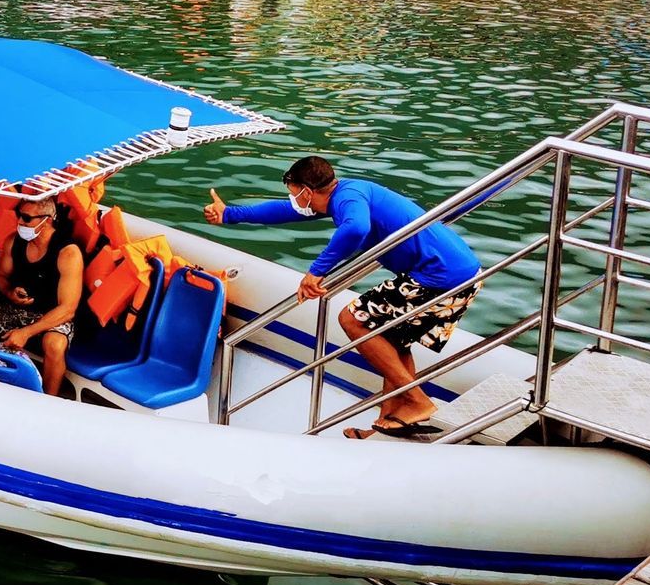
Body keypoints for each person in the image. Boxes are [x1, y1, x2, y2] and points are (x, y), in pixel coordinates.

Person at [203, 156, 482, 440]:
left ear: (307, 192)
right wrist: (230, 214)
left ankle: (417, 400)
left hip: (438, 275)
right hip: (453, 272)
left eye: (293, 192)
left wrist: (316, 272)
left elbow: (356, 228)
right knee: (390, 339)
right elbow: (283, 211)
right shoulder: (345, 193)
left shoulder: (348, 199)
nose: (293, 200)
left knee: (352, 320)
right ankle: (388, 423)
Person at [0, 195, 84, 396]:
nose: (20, 222)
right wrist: (8, 292)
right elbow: (2, 275)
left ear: (47, 220)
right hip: (14, 308)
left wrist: (26, 332)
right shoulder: (13, 241)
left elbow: (68, 309)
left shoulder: (68, 253)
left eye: (26, 218)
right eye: (19, 216)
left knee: (55, 345)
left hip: (50, 315)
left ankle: (48, 401)